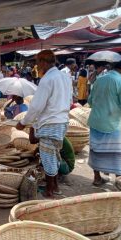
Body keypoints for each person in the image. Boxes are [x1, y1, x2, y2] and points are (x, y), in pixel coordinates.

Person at [16, 50, 72, 198]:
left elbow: (36, 106)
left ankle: (50, 190)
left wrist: (23, 122)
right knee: (54, 154)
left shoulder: (47, 79)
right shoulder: (65, 77)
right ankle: (55, 187)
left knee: (48, 157)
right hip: (62, 121)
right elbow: (69, 100)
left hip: (50, 122)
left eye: (37, 62)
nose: (36, 66)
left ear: (42, 62)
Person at [87, 60, 121, 186]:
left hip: (95, 121)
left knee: (96, 150)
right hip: (110, 124)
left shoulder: (100, 79)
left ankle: (97, 178)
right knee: (116, 153)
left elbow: (90, 101)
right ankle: (120, 181)